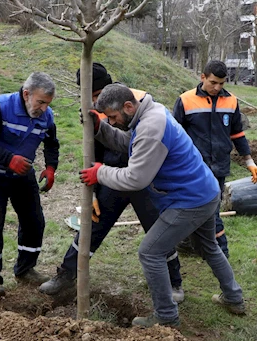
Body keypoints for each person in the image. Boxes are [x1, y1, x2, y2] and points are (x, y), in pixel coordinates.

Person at [80, 84, 245, 327]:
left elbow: (136, 178)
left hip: (191, 201)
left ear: (128, 106)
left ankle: (166, 317)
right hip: (206, 191)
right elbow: (130, 144)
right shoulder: (150, 113)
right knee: (209, 246)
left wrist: (101, 172)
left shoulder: (150, 126)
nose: (113, 122)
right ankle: (234, 298)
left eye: (113, 117)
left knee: (150, 252)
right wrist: (100, 129)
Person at [39, 64, 185, 302]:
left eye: (98, 96)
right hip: (110, 177)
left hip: (144, 180)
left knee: (158, 232)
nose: (96, 104)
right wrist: (94, 192)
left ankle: (174, 282)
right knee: (92, 227)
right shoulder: (93, 112)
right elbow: (93, 152)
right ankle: (66, 275)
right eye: (91, 97)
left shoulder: (133, 102)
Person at [0, 72, 60, 298]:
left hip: (23, 175)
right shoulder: (1, 106)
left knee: (34, 222)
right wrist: (9, 159)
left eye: (47, 103)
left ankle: (25, 269)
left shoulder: (47, 116)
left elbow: (52, 144)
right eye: (40, 101)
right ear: (26, 94)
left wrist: (51, 168)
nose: (43, 108)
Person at [173, 60, 257, 258]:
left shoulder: (231, 101)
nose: (217, 87)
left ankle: (201, 247)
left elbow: (237, 134)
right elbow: (174, 136)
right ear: (202, 77)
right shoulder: (185, 100)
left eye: (222, 83)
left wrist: (249, 161)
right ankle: (217, 251)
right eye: (213, 82)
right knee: (197, 207)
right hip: (193, 168)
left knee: (211, 208)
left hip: (219, 166)